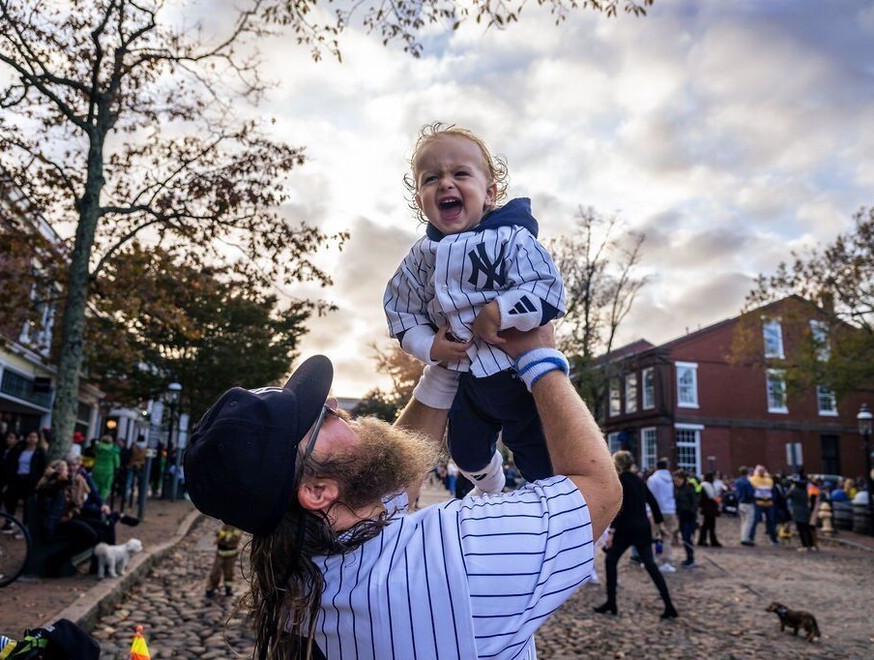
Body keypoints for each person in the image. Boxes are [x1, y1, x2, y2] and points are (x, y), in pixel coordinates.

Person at [184, 324, 622, 660]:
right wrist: (539, 357)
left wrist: (443, 369)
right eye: (319, 419)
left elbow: (395, 477)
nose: (334, 405)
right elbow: (597, 490)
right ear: (317, 491)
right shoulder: (457, 558)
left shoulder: (297, 573)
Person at [383, 123, 566, 495]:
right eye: (431, 178)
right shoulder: (421, 256)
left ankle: (550, 510)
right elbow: (401, 311)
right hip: (466, 375)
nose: (446, 184)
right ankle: (492, 486)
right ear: (420, 200)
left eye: (460, 174)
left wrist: (500, 311)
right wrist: (429, 347)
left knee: (538, 453)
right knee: (464, 452)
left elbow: (548, 289)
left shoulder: (512, 238)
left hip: (517, 373)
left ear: (489, 193)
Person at [594, 450, 677, 619]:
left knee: (610, 561)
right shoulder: (639, 480)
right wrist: (660, 526)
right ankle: (669, 605)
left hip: (626, 529)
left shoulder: (620, 481)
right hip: (643, 528)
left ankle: (612, 603)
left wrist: (611, 531)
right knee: (651, 566)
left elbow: (619, 509)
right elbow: (652, 502)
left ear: (616, 465)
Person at [35, 460, 100, 574]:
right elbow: (54, 510)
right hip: (57, 524)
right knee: (90, 535)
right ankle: (55, 561)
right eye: (65, 470)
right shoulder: (54, 486)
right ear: (59, 473)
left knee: (98, 528)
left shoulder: (60, 485)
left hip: (65, 518)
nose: (68, 472)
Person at [3, 430, 48, 526]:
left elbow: (43, 467)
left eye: (34, 437)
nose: (32, 439)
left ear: (38, 439)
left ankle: (25, 525)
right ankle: (9, 521)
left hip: (30, 480)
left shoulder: (40, 452)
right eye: (30, 436)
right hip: (17, 478)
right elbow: (11, 462)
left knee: (28, 504)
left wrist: (39, 481)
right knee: (10, 499)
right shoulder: (19, 449)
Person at [647, 458, 677, 572]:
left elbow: (650, 496)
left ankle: (654, 559)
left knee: (654, 536)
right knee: (667, 536)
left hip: (657, 511)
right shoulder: (670, 479)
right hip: (670, 510)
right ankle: (667, 560)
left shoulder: (653, 479)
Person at [205, 523, 243, 598]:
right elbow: (221, 535)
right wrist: (220, 535)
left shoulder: (237, 528)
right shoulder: (226, 525)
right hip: (220, 554)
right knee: (215, 572)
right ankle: (211, 588)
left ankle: (228, 589)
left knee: (228, 572)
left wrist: (224, 536)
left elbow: (233, 539)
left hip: (231, 555)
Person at [673, 469, 698, 568]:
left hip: (689, 516)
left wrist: (692, 512)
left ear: (683, 479)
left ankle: (691, 558)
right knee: (684, 537)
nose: (676, 482)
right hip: (682, 516)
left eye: (678, 480)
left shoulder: (689, 488)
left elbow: (694, 502)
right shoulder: (676, 489)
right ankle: (688, 558)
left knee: (687, 537)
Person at [749, 465, 779, 546]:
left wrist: (772, 500)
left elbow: (773, 491)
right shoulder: (752, 480)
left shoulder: (769, 480)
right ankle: (751, 538)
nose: (761, 472)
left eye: (763, 470)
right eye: (760, 471)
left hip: (769, 503)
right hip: (758, 503)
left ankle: (774, 539)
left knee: (771, 521)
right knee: (755, 520)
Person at [785, 477, 814, 551]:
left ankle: (804, 545)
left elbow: (785, 496)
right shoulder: (805, 491)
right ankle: (811, 545)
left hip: (798, 512)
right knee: (807, 529)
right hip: (806, 511)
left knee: (801, 530)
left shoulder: (794, 491)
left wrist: (791, 488)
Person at [91, 434, 119, 499]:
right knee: (105, 487)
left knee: (95, 485)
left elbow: (94, 454)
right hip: (108, 471)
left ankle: (94, 500)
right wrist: (117, 468)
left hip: (97, 469)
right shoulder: (113, 450)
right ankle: (101, 502)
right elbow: (117, 462)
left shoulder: (98, 447)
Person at [697, 472, 721, 547]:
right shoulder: (706, 485)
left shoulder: (704, 485)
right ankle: (706, 540)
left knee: (708, 525)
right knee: (708, 525)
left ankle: (704, 539)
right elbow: (712, 496)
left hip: (707, 508)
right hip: (708, 507)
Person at [735, 466, 756, 545]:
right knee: (749, 522)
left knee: (743, 521)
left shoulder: (737, 481)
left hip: (740, 503)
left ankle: (743, 537)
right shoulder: (747, 482)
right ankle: (745, 538)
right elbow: (750, 493)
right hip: (748, 503)